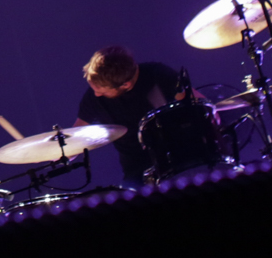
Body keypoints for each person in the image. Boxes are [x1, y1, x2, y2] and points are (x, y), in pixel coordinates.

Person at [73, 45, 189, 186]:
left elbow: (196, 106)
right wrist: (56, 151)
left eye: (102, 91)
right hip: (136, 172)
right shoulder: (93, 98)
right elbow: (75, 136)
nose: (96, 94)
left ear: (126, 85)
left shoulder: (158, 74)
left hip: (180, 158)